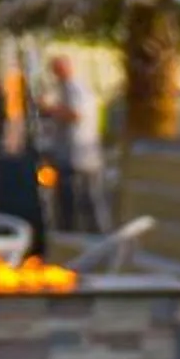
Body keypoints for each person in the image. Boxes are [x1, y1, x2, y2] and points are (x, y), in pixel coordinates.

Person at [41, 54, 106, 234]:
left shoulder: (75, 89)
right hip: (73, 154)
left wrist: (50, 109)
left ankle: (92, 235)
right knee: (72, 200)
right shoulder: (66, 89)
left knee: (86, 199)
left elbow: (76, 114)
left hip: (78, 155)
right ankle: (73, 233)